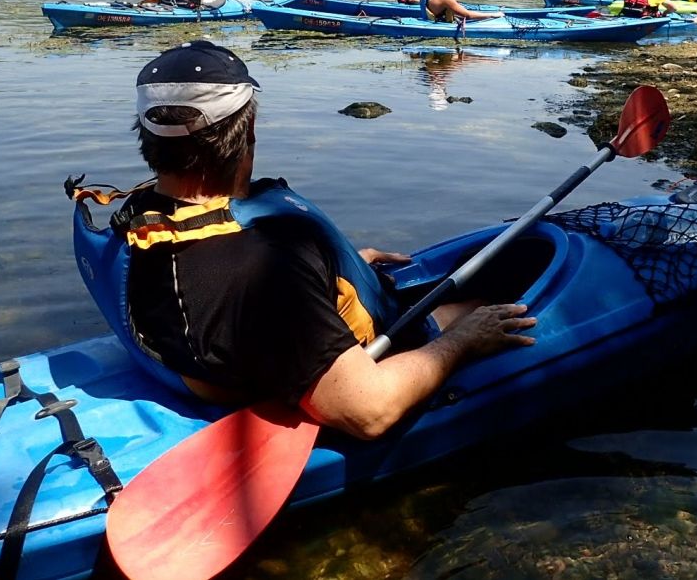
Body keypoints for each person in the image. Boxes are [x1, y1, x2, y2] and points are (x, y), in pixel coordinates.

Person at [86, 40, 535, 438]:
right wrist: (464, 342)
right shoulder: (258, 267)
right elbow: (368, 412)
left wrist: (336, 266)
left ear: (150, 140)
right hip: (359, 363)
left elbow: (219, 286)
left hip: (242, 339)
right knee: (487, 307)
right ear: (249, 133)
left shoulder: (141, 216)